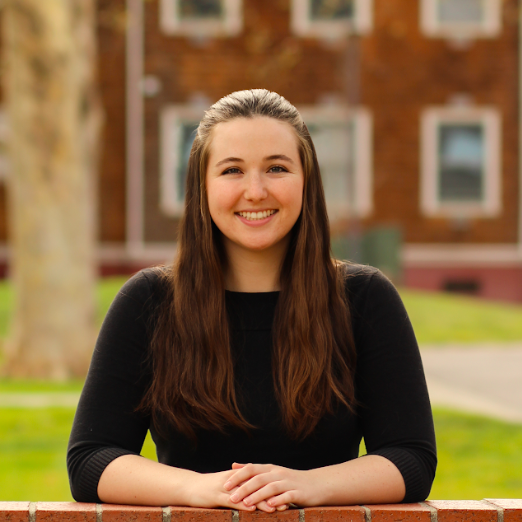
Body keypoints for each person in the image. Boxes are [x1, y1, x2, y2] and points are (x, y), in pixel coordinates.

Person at [67, 89, 436, 511]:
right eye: (232, 171)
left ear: (307, 181)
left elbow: (411, 458)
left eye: (277, 168)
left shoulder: (364, 299)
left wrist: (307, 486)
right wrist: (200, 489)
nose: (256, 191)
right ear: (201, 186)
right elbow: (91, 459)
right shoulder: (150, 302)